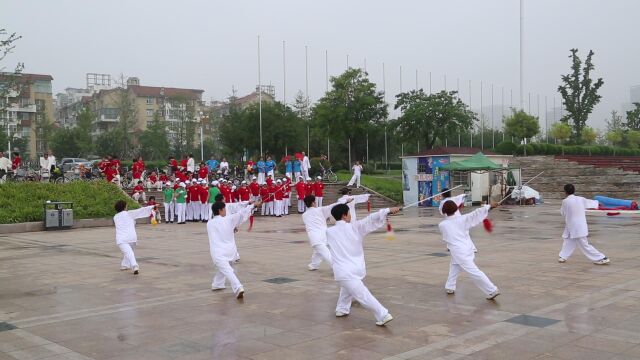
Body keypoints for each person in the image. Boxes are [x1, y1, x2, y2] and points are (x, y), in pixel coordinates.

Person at [327, 203, 400, 326]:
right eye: (349, 213)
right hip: (352, 270)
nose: (350, 215)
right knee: (363, 294)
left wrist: (387, 211)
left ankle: (342, 308)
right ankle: (383, 314)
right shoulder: (356, 227)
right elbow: (371, 219)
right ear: (345, 216)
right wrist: (388, 210)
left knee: (347, 288)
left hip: (343, 271)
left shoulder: (329, 232)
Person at [439, 200, 500, 300]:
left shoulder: (442, 225)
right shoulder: (463, 219)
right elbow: (476, 214)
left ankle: (492, 290)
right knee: (454, 265)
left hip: (459, 252)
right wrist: (490, 207)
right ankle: (450, 286)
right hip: (468, 248)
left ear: (444, 211)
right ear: (456, 209)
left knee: (474, 271)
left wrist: (489, 207)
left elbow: (448, 237)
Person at [208, 200, 260, 299]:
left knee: (226, 269)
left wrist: (252, 206)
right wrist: (252, 206)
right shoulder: (228, 220)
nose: (225, 211)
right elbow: (241, 214)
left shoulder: (210, 223)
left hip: (218, 252)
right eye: (224, 209)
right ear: (220, 210)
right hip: (230, 251)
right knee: (227, 269)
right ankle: (225, 285)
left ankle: (229, 286)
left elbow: (221, 227)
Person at [559, 184, 610, 265]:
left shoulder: (565, 201)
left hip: (574, 226)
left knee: (584, 245)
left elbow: (562, 212)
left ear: (565, 192)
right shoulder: (580, 199)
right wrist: (598, 204)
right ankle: (563, 256)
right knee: (568, 240)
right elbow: (592, 203)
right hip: (576, 226)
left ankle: (602, 258)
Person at [303, 195, 351, 271]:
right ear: (313, 203)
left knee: (318, 252)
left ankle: (313, 265)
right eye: (315, 202)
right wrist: (345, 201)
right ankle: (338, 269)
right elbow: (333, 206)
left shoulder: (304, 215)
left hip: (315, 237)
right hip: (322, 236)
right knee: (327, 254)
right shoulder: (320, 210)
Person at [113, 200, 156, 275]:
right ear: (124, 207)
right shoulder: (129, 213)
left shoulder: (115, 217)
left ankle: (134, 265)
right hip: (132, 238)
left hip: (122, 239)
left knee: (129, 252)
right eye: (126, 205)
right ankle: (125, 265)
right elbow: (140, 211)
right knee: (129, 252)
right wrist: (152, 207)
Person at [438, 188, 477, 253]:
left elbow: (442, 212)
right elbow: (463, 196)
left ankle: (471, 248)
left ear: (443, 195)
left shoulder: (443, 202)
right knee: (464, 233)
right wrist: (465, 194)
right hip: (459, 218)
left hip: (450, 220)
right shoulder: (454, 198)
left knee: (450, 233)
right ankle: (472, 248)